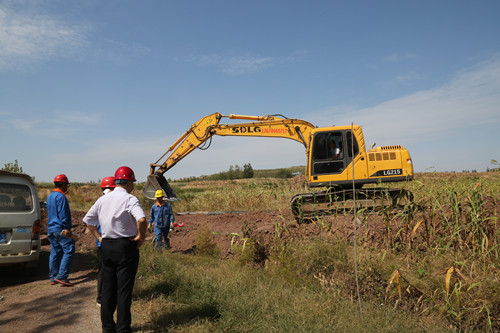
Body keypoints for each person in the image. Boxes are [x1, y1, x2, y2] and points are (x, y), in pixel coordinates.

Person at [83, 166, 147, 333]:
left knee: (107, 289)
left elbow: (89, 221)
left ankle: (107, 328)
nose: (133, 186)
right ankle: (123, 329)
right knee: (124, 291)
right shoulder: (130, 199)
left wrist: (99, 237)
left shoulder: (103, 199)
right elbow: (141, 220)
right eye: (132, 182)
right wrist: (141, 237)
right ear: (128, 182)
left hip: (107, 246)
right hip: (125, 247)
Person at [46, 174, 75, 287]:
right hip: (60, 228)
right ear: (63, 184)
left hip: (51, 229)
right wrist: (67, 228)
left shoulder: (50, 197)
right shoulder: (61, 197)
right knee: (69, 249)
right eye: (66, 185)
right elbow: (64, 214)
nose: (67, 187)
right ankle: (62, 276)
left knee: (55, 251)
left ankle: (53, 277)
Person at [95, 176, 116, 308]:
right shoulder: (106, 202)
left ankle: (104, 296)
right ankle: (101, 298)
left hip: (104, 242)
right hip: (106, 242)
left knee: (105, 270)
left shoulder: (100, 202)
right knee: (105, 270)